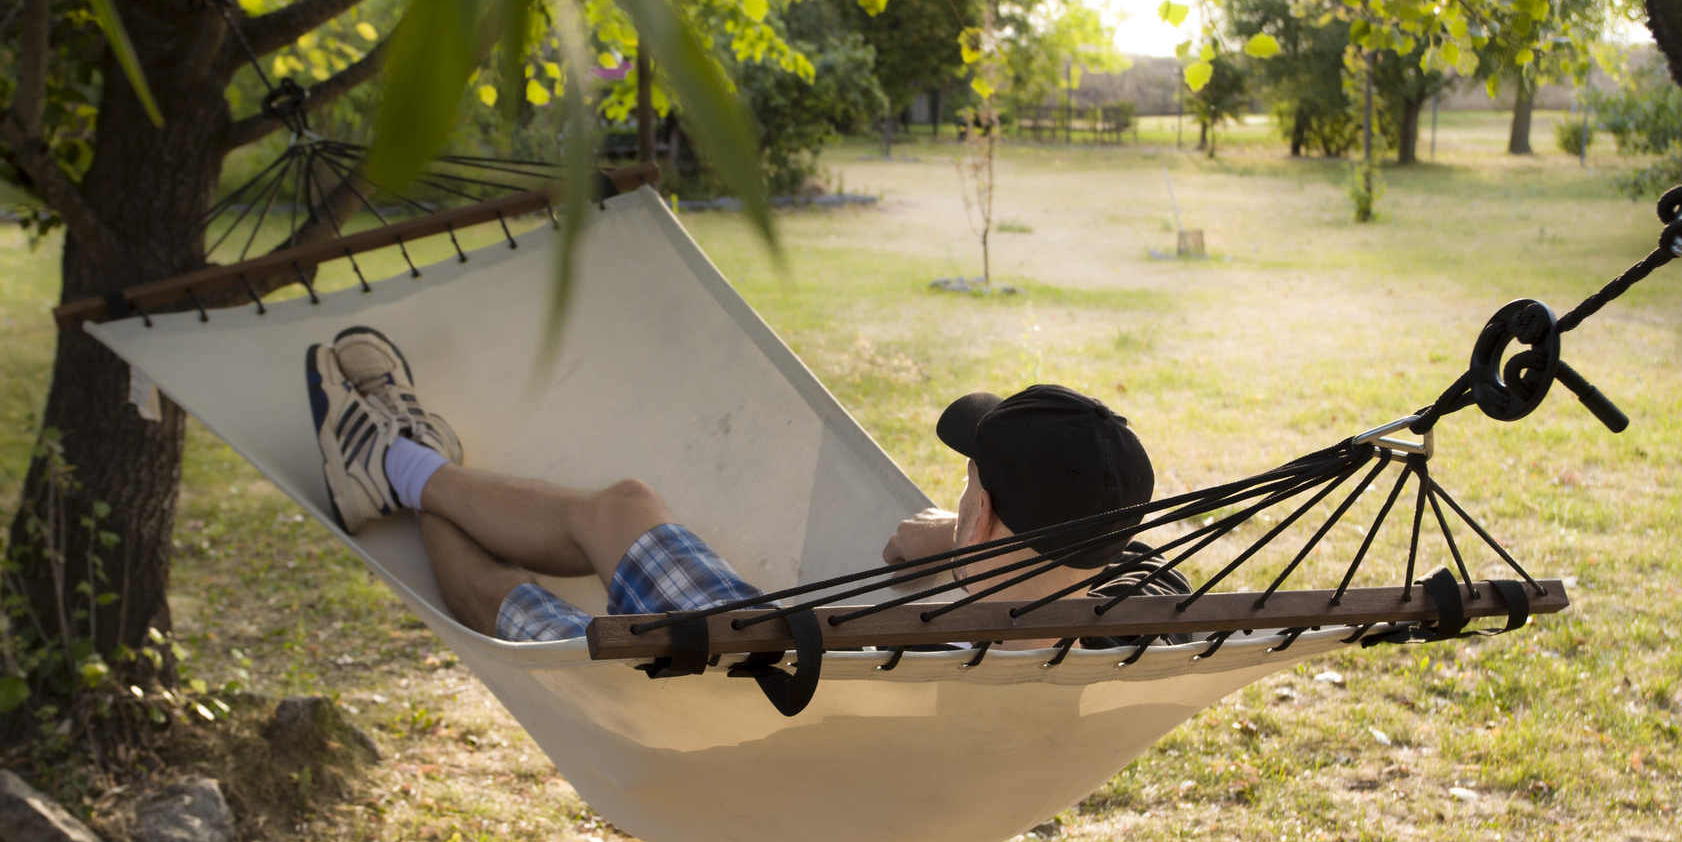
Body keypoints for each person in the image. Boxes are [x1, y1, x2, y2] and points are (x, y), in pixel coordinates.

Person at [306, 325, 1175, 647]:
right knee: (611, 522)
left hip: (734, 672)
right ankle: (409, 462)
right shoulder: (1137, 627)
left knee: (561, 563)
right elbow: (1072, 562)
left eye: (967, 486)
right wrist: (952, 542)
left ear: (981, 508)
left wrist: (954, 541)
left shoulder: (907, 646)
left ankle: (396, 463)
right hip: (794, 707)